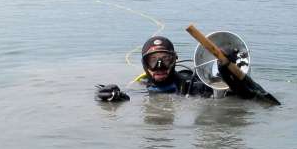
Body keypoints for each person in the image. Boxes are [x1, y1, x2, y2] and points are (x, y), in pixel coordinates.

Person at [96, 36, 280, 104]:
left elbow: (253, 96)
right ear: (144, 64)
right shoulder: (140, 87)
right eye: (153, 61)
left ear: (174, 61)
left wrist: (230, 75)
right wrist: (117, 97)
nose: (159, 67)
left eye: (165, 60)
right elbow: (127, 97)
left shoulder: (192, 85)